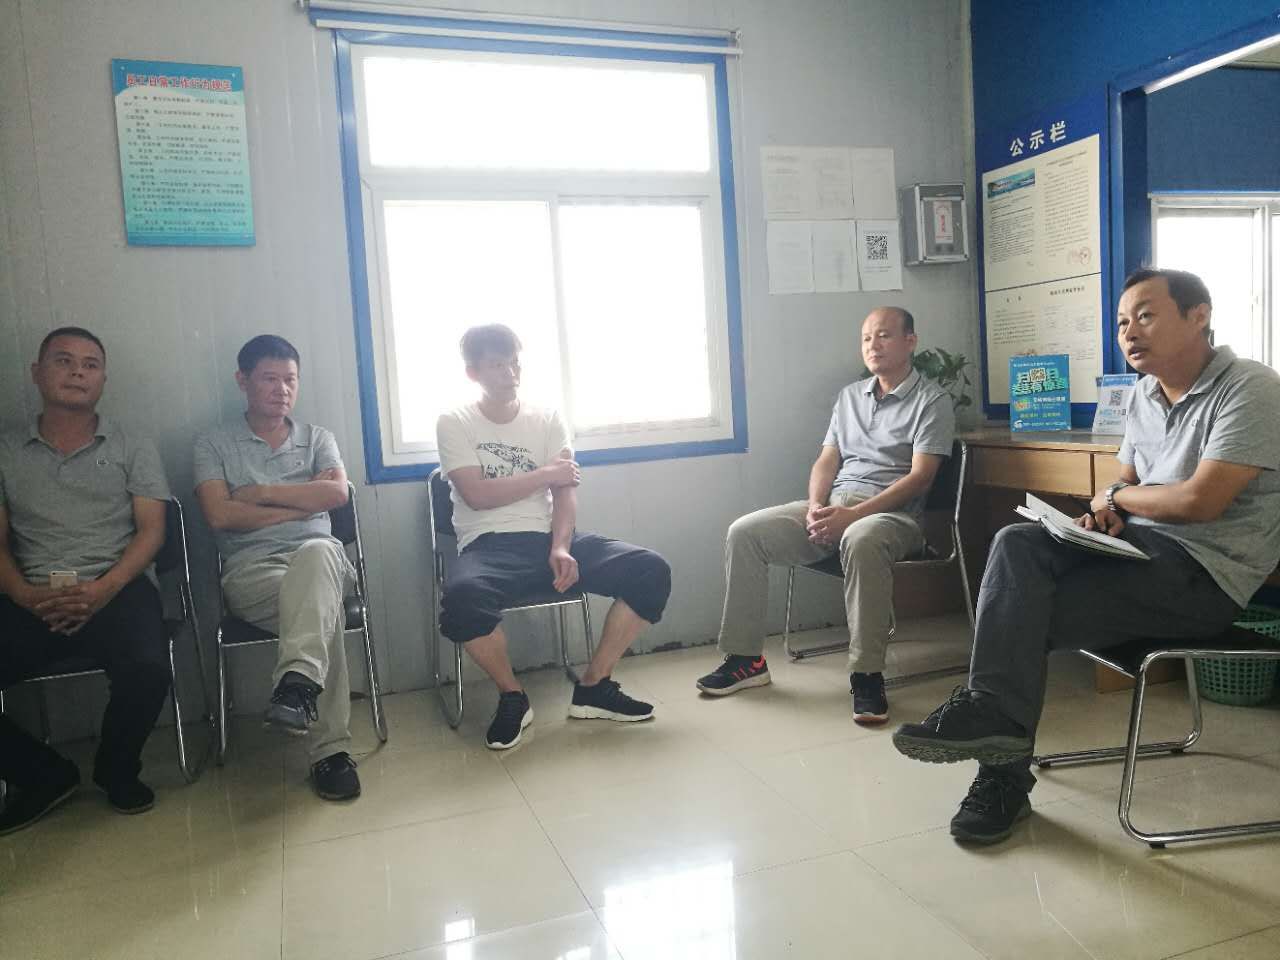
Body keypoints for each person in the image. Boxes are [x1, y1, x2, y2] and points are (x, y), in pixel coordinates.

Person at [893, 268, 1280, 845]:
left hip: (1203, 580)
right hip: (1140, 555)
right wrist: (1105, 514)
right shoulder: (1145, 395)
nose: (1129, 333)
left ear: (1199, 315)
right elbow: (1125, 481)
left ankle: (1001, 777)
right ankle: (994, 725)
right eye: (1122, 322)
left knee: (1019, 615)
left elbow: (1199, 502)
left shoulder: (1251, 388)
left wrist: (1116, 499)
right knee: (1015, 542)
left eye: (1145, 316)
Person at [696, 307, 955, 724]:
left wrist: (852, 516)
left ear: (910, 341)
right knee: (745, 532)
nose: (873, 345)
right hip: (834, 505)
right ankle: (745, 661)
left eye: (884, 335)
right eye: (867, 338)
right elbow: (826, 460)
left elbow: (920, 477)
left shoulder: (932, 401)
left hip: (892, 516)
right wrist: (817, 507)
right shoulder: (850, 397)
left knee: (861, 538)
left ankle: (867, 676)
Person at [437, 323, 672, 750]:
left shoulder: (546, 418)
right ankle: (513, 696)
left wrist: (561, 546)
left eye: (515, 363)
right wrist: (546, 473)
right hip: (488, 545)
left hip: (549, 538)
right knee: (462, 598)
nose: (510, 373)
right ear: (473, 373)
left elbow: (565, 491)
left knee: (649, 570)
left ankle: (594, 687)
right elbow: (477, 495)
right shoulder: (455, 422)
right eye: (497, 365)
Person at [0, 327, 172, 832]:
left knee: (148, 668)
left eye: (90, 364)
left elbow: (152, 530)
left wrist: (102, 589)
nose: (78, 372)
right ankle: (44, 775)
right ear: (37, 373)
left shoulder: (132, 444)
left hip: (116, 586)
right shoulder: (6, 450)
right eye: (64, 361)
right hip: (31, 593)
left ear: (103, 379)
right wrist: (24, 595)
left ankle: (117, 769)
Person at [194, 335, 360, 801]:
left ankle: (297, 687)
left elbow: (336, 494)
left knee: (320, 554)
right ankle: (329, 750)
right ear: (242, 380)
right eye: (270, 378)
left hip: (322, 562)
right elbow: (219, 515)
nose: (282, 389)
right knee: (321, 612)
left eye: (290, 380)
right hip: (253, 573)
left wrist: (259, 494)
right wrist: (302, 502)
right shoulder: (213, 443)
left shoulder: (317, 438)